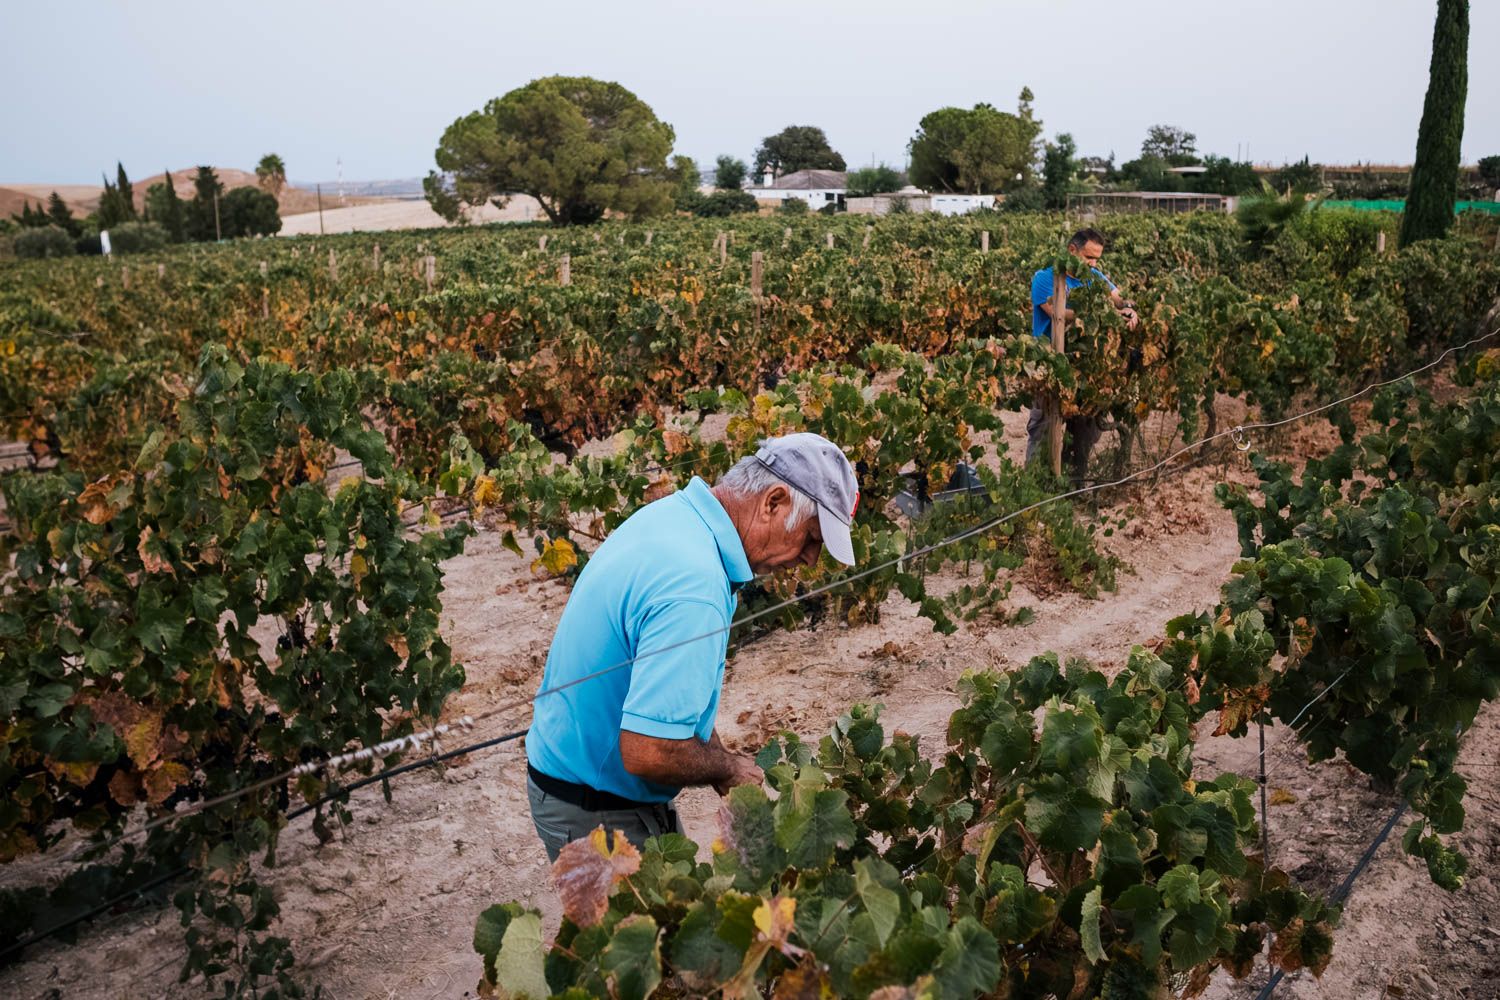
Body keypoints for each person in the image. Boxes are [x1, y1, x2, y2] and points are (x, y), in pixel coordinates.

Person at [524, 432, 860, 860]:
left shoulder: (678, 519)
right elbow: (648, 750)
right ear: (773, 502)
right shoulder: (694, 585)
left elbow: (669, 692)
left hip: (578, 781)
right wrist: (728, 766)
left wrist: (720, 762)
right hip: (595, 810)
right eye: (812, 538)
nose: (811, 559)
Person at [1025, 228, 1140, 483]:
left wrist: (1129, 309)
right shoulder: (1046, 277)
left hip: (1087, 365)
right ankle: (1032, 490)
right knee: (1043, 427)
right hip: (1051, 363)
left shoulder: (1095, 277)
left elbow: (1119, 299)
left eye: (1097, 258)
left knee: (1085, 429)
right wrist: (1103, 314)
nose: (1093, 264)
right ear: (1072, 251)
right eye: (1089, 257)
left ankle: (1072, 486)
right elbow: (1056, 311)